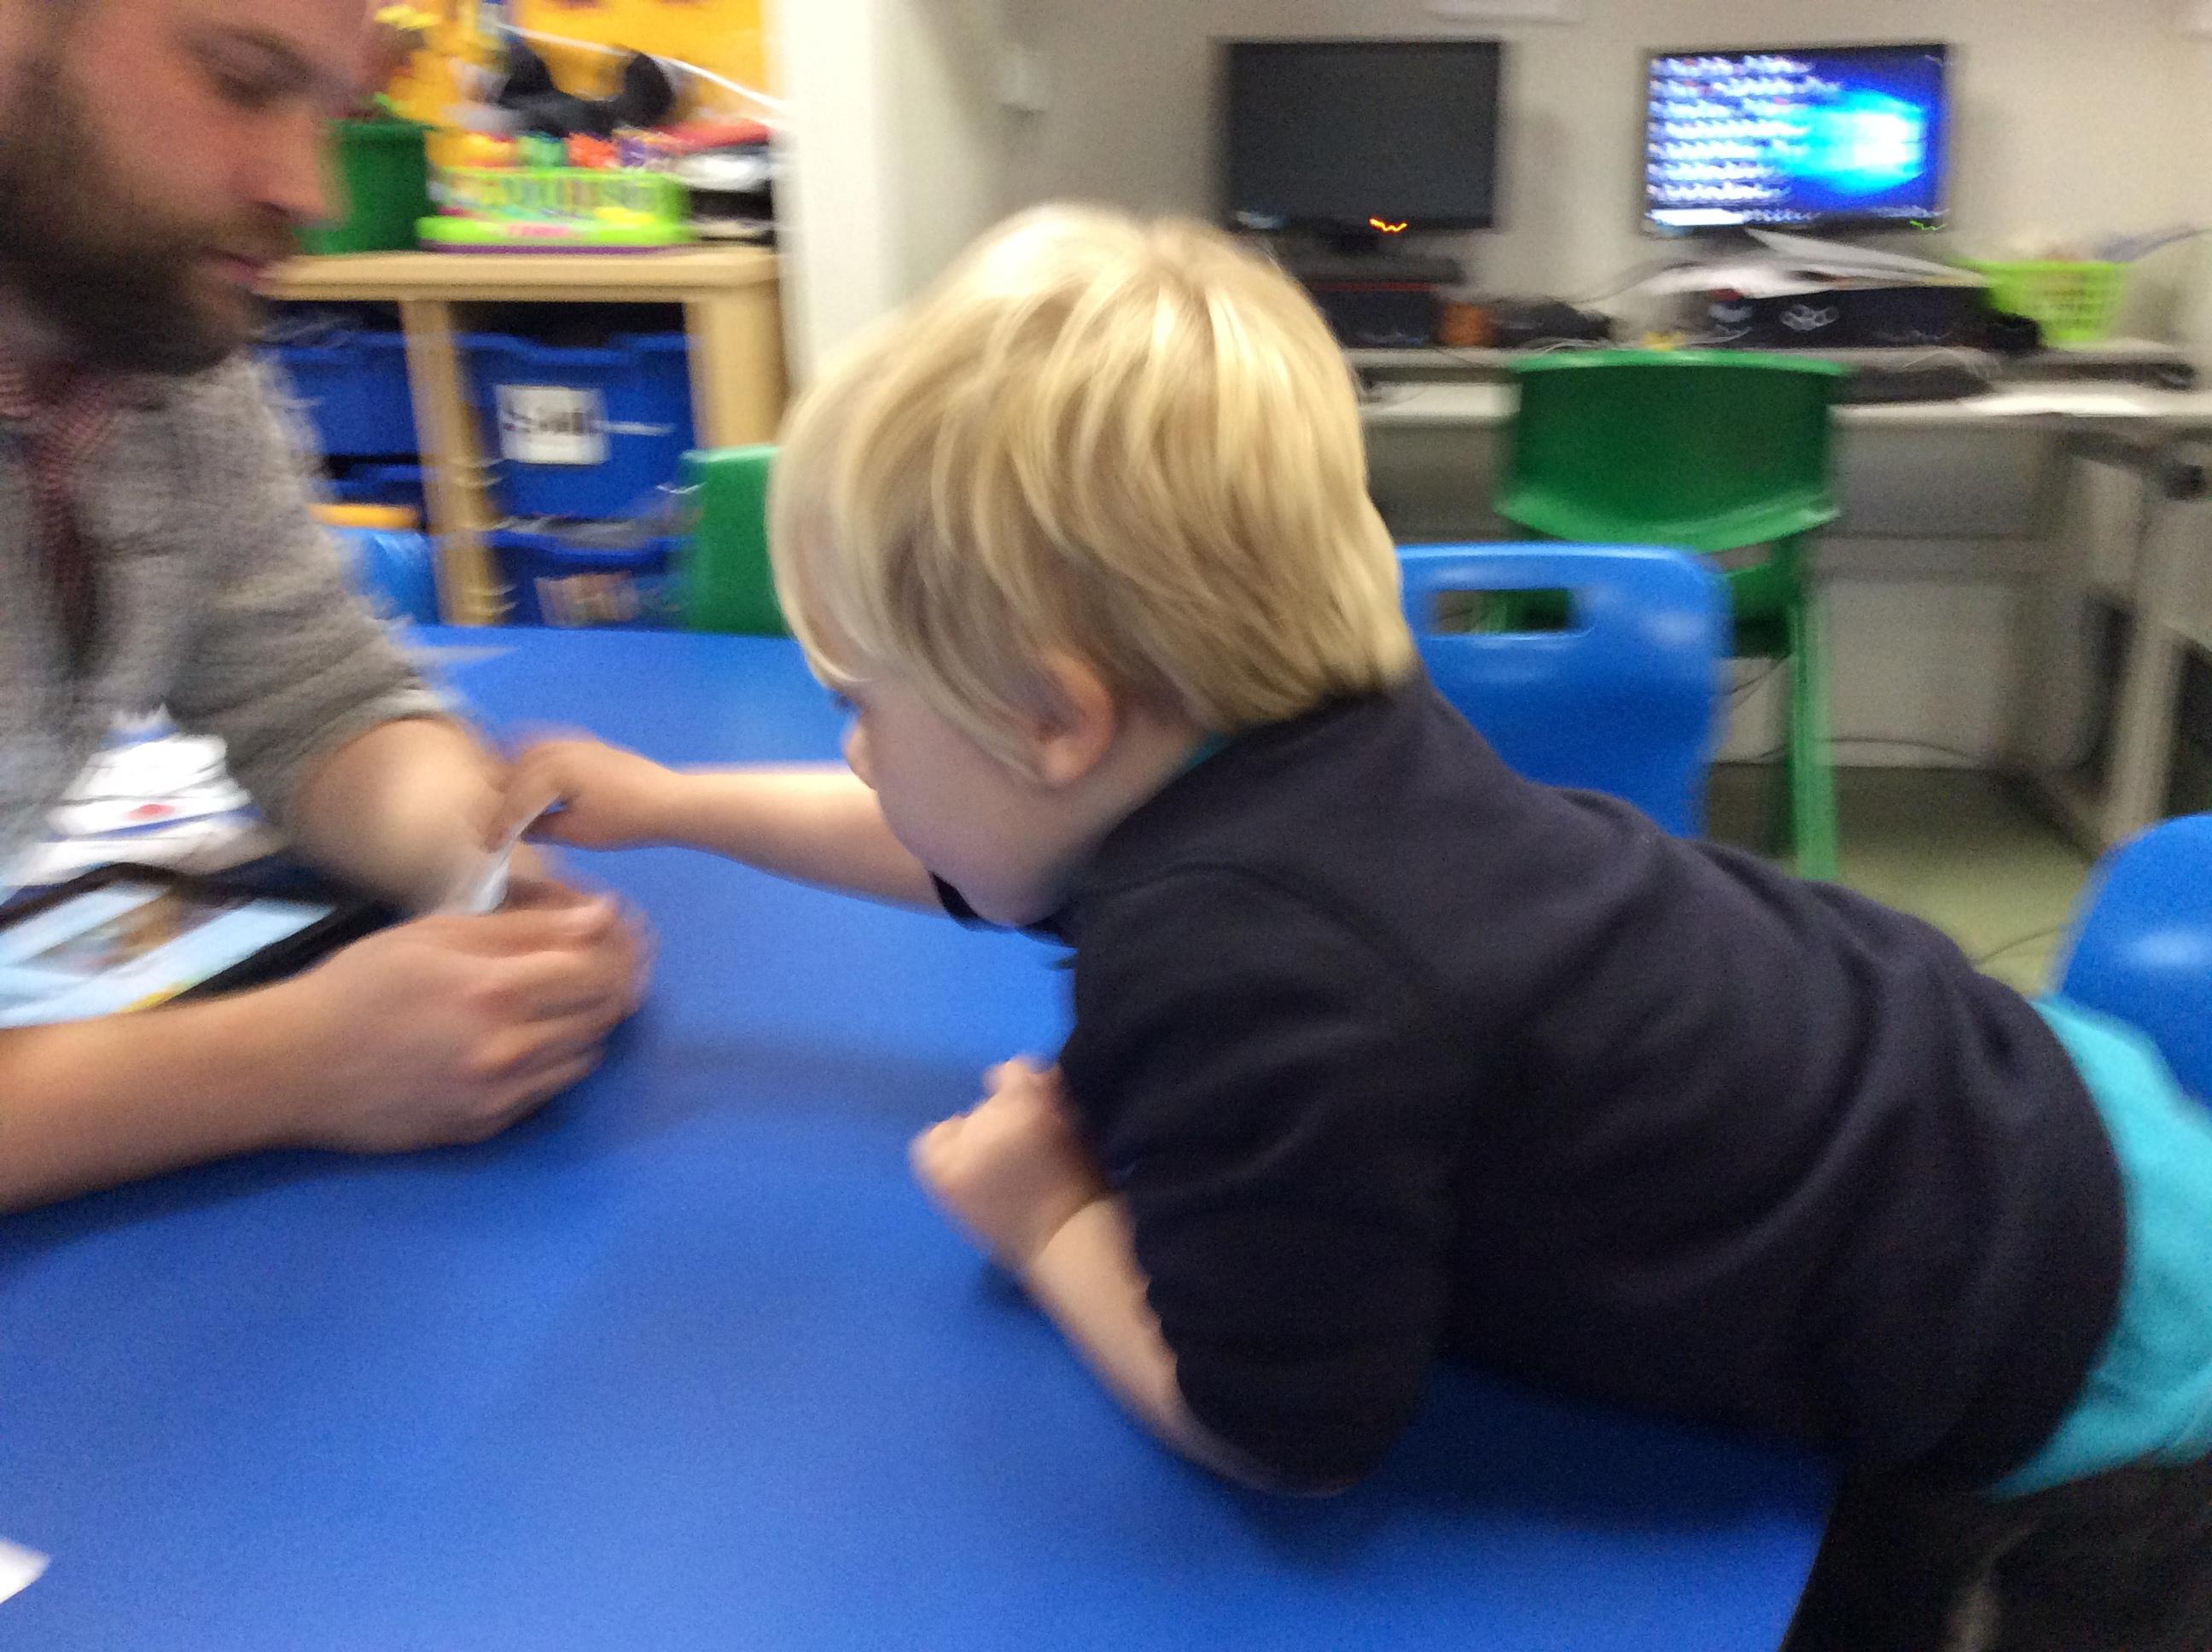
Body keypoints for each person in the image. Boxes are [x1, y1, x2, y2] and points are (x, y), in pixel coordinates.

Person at [495, 207, 2212, 1650]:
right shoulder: (1301, 758)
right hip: (2045, 1113)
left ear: (1056, 719)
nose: (859, 753)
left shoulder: (1245, 969)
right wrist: (672, 802)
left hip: (2079, 1362)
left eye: (863, 704)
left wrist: (1047, 1218)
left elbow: (1285, 1422)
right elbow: (958, 839)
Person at [0, 0, 644, 1213]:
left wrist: (480, 869)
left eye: (333, 114)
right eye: (242, 81)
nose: (313, 192)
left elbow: (317, 697)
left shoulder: (158, 360)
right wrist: (289, 1062)